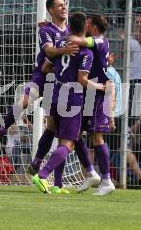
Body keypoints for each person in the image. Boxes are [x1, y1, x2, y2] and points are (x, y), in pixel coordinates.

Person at [0, 0, 78, 152]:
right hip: (43, 76)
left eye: (64, 5)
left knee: (51, 126)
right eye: (59, 5)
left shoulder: (72, 32)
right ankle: (1, 131)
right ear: (51, 10)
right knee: (23, 102)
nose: (64, 7)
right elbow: (49, 51)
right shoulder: (46, 30)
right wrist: (64, 49)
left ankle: (38, 163)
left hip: (60, 80)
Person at [32, 12, 106, 194]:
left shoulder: (60, 44)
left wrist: (60, 72)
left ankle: (57, 184)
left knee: (59, 136)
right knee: (67, 143)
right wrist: (100, 87)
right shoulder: (85, 51)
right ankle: (42, 175)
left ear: (70, 26)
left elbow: (45, 67)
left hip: (56, 93)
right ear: (85, 28)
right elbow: (82, 80)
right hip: (73, 98)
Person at [69, 14, 115, 195]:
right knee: (76, 134)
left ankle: (106, 180)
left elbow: (76, 40)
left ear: (94, 27)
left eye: (88, 24)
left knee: (97, 138)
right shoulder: (100, 42)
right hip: (88, 94)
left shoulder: (98, 41)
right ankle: (90, 172)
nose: (86, 27)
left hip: (97, 95)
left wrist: (63, 33)